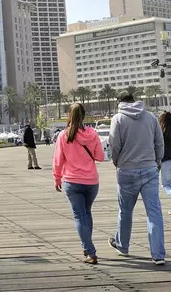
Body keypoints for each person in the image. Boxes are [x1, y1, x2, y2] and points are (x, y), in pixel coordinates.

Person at [108, 91, 166, 266]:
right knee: (154, 212)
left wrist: (117, 161)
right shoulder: (150, 117)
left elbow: (114, 145)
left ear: (120, 102)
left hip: (126, 170)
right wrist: (157, 160)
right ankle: (158, 254)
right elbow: (159, 142)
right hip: (149, 168)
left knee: (125, 211)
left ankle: (122, 245)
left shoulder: (117, 119)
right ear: (134, 100)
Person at [53, 103, 105, 264]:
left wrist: (57, 178)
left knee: (79, 216)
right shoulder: (92, 134)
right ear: (83, 116)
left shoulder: (64, 135)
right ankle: (86, 246)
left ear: (69, 116)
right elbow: (100, 157)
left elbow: (58, 160)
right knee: (86, 214)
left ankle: (90, 252)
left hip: (72, 181)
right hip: (91, 182)